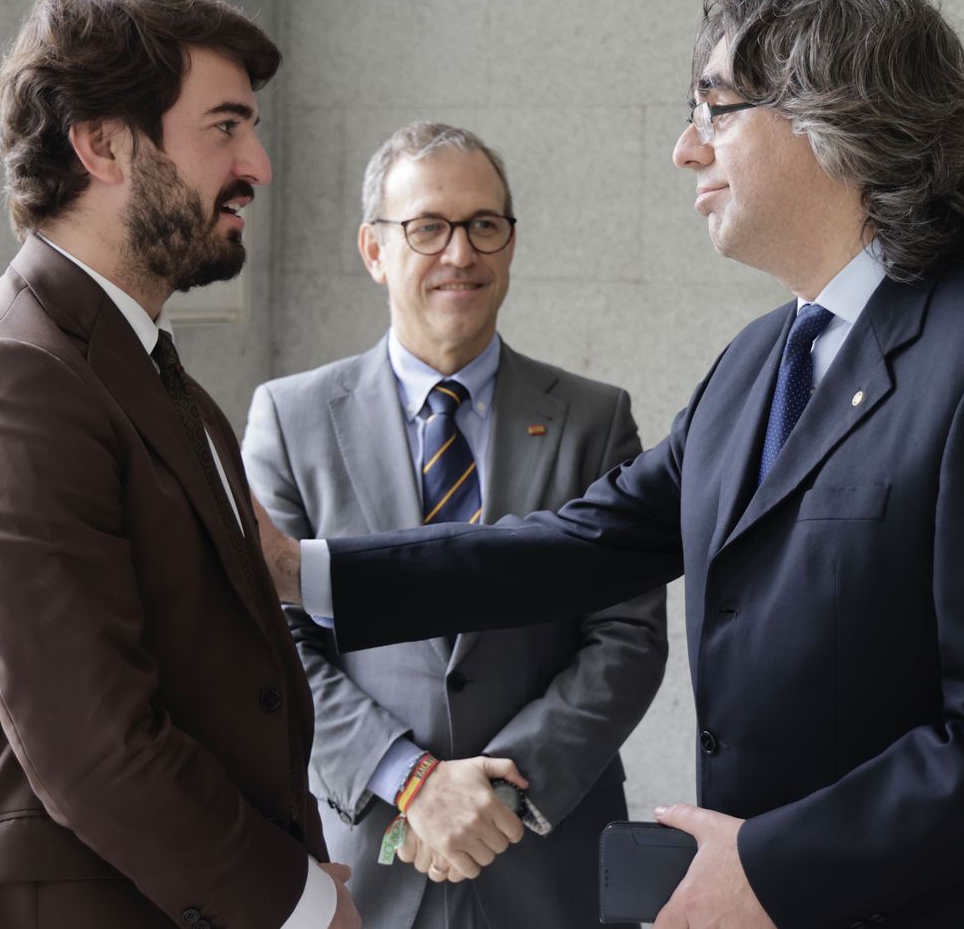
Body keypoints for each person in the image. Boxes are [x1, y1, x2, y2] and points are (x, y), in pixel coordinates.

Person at [257, 0, 964, 928]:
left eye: (714, 109)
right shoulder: (759, 358)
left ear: (836, 119)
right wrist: (304, 571)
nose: (684, 148)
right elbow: (586, 543)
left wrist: (773, 863)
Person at [0, 0, 359, 929]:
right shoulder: (1, 386)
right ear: (104, 147)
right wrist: (301, 905)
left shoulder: (135, 365)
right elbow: (99, 752)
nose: (256, 167)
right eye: (224, 128)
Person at [242, 120, 667, 928]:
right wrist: (413, 781)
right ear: (374, 249)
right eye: (428, 226)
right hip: (367, 856)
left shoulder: (592, 418)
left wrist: (496, 792)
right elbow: (274, 640)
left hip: (544, 858)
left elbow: (627, 636)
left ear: (510, 242)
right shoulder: (289, 418)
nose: (460, 253)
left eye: (484, 225)